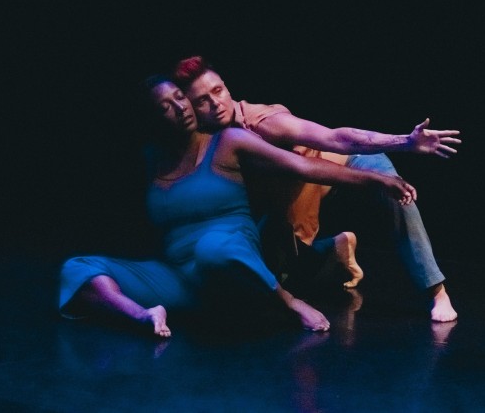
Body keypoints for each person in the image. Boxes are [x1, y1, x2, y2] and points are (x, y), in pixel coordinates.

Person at [59, 76, 417, 337]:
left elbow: (304, 166)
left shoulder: (229, 141)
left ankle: (288, 302)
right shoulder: (153, 159)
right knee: (78, 268)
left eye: (180, 98)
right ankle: (143, 317)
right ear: (153, 120)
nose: (179, 107)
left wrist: (376, 179)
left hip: (232, 259)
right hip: (179, 276)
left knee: (215, 247)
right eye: (165, 107)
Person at [173, 56, 461, 322]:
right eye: (202, 101)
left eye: (218, 91)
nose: (216, 103)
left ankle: (437, 292)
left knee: (399, 199)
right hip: (296, 191)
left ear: (227, 87)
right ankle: (334, 250)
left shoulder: (265, 123)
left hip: (347, 163)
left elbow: (335, 138)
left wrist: (405, 142)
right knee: (276, 282)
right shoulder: (208, 138)